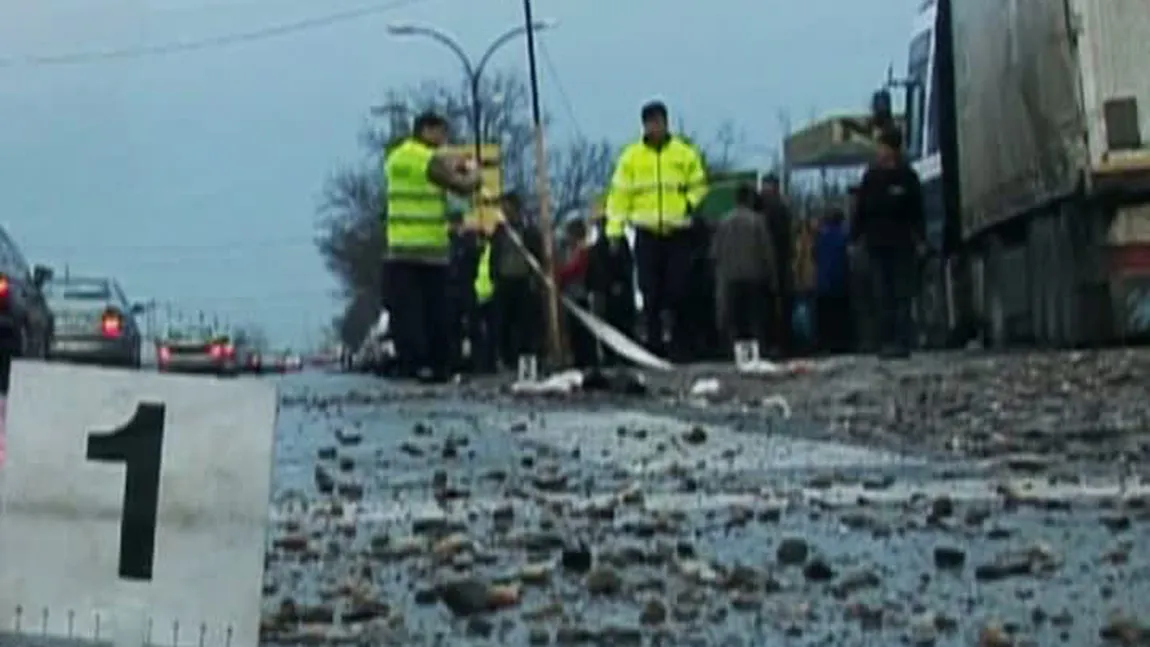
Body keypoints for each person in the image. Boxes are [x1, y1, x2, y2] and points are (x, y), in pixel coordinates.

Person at [605, 100, 707, 361]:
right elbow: (618, 198)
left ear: (666, 122)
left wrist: (687, 204)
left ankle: (681, 345)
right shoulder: (631, 158)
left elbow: (700, 186)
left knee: (678, 290)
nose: (655, 127)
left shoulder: (684, 154)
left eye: (658, 122)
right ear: (644, 126)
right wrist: (614, 232)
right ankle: (653, 344)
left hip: (677, 233)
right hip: (647, 233)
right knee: (650, 293)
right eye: (650, 123)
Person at [383, 111, 481, 382]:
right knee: (434, 313)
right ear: (427, 130)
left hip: (398, 248)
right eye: (440, 132)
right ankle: (435, 365)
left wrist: (452, 159)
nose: (443, 139)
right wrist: (474, 174)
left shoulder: (396, 157)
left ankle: (410, 363)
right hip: (429, 251)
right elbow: (461, 187)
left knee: (406, 313)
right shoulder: (427, 160)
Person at [851, 127, 925, 358]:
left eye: (882, 146)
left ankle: (902, 342)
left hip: (902, 245)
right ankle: (886, 342)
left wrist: (921, 239)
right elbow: (860, 210)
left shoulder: (907, 177)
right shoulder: (871, 178)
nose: (879, 151)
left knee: (902, 295)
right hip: (877, 245)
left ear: (893, 149)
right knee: (882, 295)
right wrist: (855, 238)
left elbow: (917, 211)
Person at [710, 184, 778, 355]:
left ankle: (735, 354)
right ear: (749, 199)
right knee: (754, 320)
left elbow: (714, 253)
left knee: (734, 320)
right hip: (755, 276)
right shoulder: (757, 221)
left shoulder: (724, 221)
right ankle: (757, 353)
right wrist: (772, 275)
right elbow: (767, 251)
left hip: (731, 278)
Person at [488, 191, 544, 368]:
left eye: (508, 207)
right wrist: (494, 277)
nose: (505, 211)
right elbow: (494, 255)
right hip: (504, 281)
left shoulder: (528, 231)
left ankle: (526, 359)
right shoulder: (500, 231)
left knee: (525, 324)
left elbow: (537, 255)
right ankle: (507, 358)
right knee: (504, 322)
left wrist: (535, 278)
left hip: (523, 281)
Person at [586, 213, 635, 366]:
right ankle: (609, 357)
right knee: (606, 326)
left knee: (623, 325)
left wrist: (620, 282)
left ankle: (626, 356)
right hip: (603, 293)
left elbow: (628, 265)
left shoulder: (621, 243)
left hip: (621, 292)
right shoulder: (596, 248)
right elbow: (594, 270)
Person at [759, 173, 794, 357]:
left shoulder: (759, 209)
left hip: (765, 263)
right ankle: (782, 344)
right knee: (780, 305)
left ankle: (770, 343)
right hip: (779, 262)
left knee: (768, 305)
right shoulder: (782, 208)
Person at [556, 219, 596, 368]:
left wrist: (559, 274)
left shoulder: (583, 250)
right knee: (574, 329)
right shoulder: (571, 250)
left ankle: (586, 359)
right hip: (571, 294)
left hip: (580, 293)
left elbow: (575, 269)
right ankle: (578, 358)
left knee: (582, 329)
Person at [814, 209, 853, 353]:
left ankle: (825, 344)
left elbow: (816, 255)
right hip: (840, 282)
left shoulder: (821, 236)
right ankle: (842, 344)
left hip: (823, 282)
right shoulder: (844, 236)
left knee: (825, 317)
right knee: (841, 316)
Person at [470, 235, 498, 373]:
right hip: (477, 294)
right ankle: (481, 363)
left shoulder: (489, 249)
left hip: (486, 294)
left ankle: (487, 363)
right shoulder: (483, 249)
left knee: (487, 333)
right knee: (478, 333)